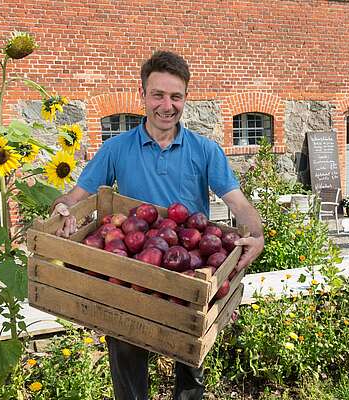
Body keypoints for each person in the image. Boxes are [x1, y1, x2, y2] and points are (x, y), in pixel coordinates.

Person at [50, 51, 264, 400]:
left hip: (190, 273)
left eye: (176, 96)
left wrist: (256, 235)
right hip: (130, 275)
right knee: (128, 369)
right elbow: (76, 195)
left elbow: (238, 203)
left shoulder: (205, 150)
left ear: (186, 98)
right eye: (158, 95)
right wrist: (61, 209)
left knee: (191, 371)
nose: (167, 105)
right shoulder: (116, 149)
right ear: (143, 94)